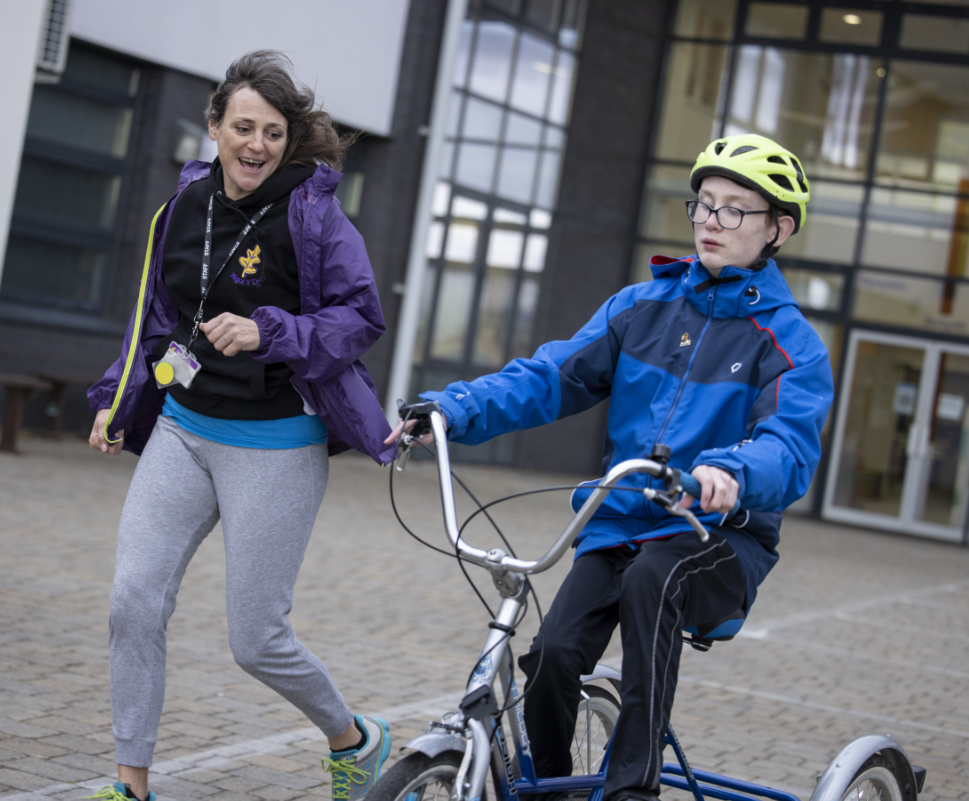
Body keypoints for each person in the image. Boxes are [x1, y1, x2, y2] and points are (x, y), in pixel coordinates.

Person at [387, 134, 834, 801]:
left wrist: (725, 473)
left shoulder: (790, 343)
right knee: (551, 656)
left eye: (734, 210)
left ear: (780, 228)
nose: (711, 220)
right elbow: (549, 376)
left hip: (716, 538)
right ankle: (559, 787)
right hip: (619, 522)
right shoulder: (639, 308)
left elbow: (788, 447)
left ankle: (632, 789)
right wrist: (452, 409)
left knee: (653, 581)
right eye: (704, 204)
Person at [86, 51, 397, 801]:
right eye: (242, 127)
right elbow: (153, 316)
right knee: (133, 600)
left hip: (277, 441)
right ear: (216, 126)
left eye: (272, 132)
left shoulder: (314, 214)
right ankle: (131, 783)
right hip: (184, 427)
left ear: (290, 139)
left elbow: (361, 317)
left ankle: (354, 736)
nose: (255, 144)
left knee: (255, 640)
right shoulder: (181, 207)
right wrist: (117, 394)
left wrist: (274, 332)